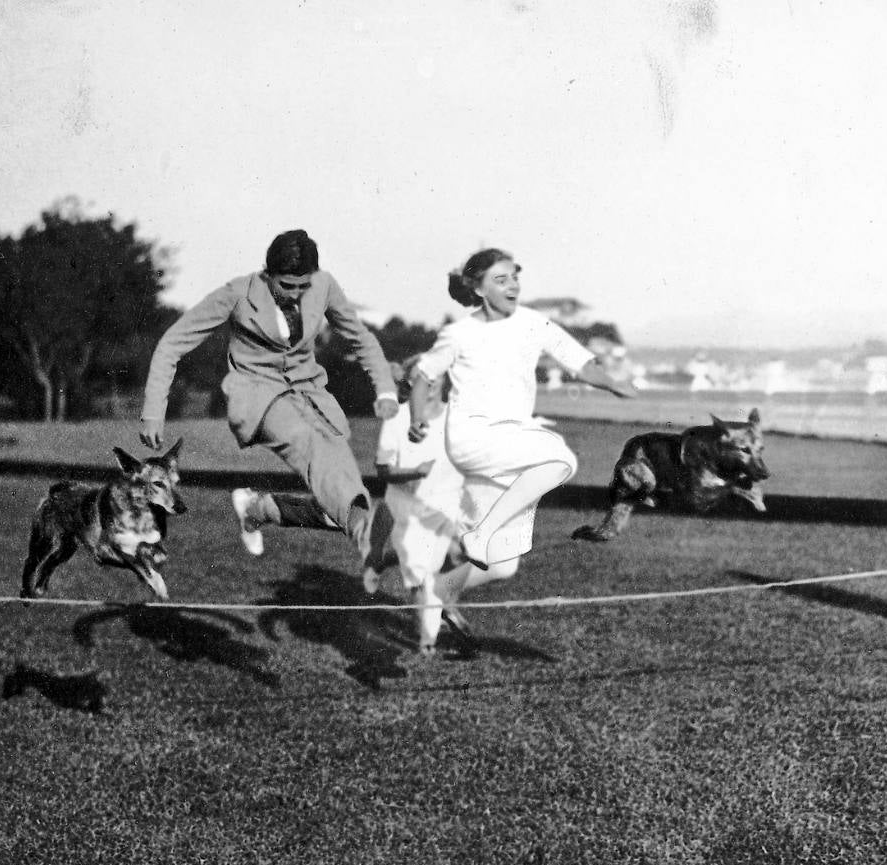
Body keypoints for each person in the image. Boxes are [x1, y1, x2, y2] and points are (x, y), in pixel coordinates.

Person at [139, 229, 398, 565]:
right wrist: (153, 410)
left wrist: (387, 389)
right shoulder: (237, 293)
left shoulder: (324, 285)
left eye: (303, 286)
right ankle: (364, 532)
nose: (295, 294)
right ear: (267, 272)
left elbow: (360, 338)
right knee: (309, 445)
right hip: (258, 399)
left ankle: (259, 509)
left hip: (312, 398)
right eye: (286, 286)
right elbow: (173, 343)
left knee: (338, 492)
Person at [408, 248, 636, 603]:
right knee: (561, 461)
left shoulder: (533, 322)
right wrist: (417, 418)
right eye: (500, 279)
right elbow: (422, 375)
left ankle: (437, 591)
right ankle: (477, 535)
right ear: (479, 289)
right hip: (474, 438)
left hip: (512, 442)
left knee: (503, 565)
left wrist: (614, 383)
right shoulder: (459, 333)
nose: (512, 285)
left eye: (515, 276)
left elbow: (580, 363)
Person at [364, 359, 466, 655]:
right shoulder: (396, 421)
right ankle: (428, 640)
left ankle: (387, 563)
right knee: (421, 575)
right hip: (407, 508)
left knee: (459, 557)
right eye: (420, 377)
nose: (429, 381)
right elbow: (383, 471)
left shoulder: (455, 416)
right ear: (410, 384)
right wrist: (415, 473)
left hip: (449, 504)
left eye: (434, 375)